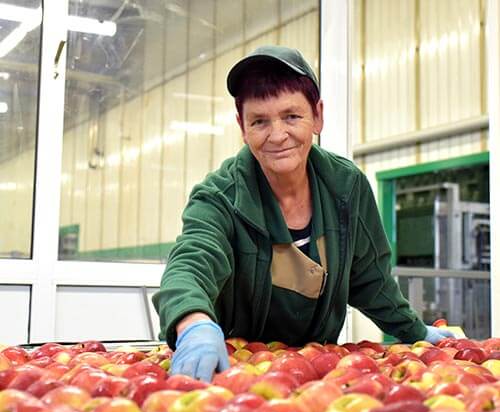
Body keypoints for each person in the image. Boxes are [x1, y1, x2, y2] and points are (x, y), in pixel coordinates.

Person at [152, 45, 454, 382]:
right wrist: (194, 324)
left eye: (292, 116)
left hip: (319, 374)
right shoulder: (221, 196)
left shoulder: (347, 187)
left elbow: (370, 280)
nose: (278, 135)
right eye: (259, 121)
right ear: (242, 126)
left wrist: (415, 331)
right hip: (233, 375)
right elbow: (193, 260)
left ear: (317, 116)